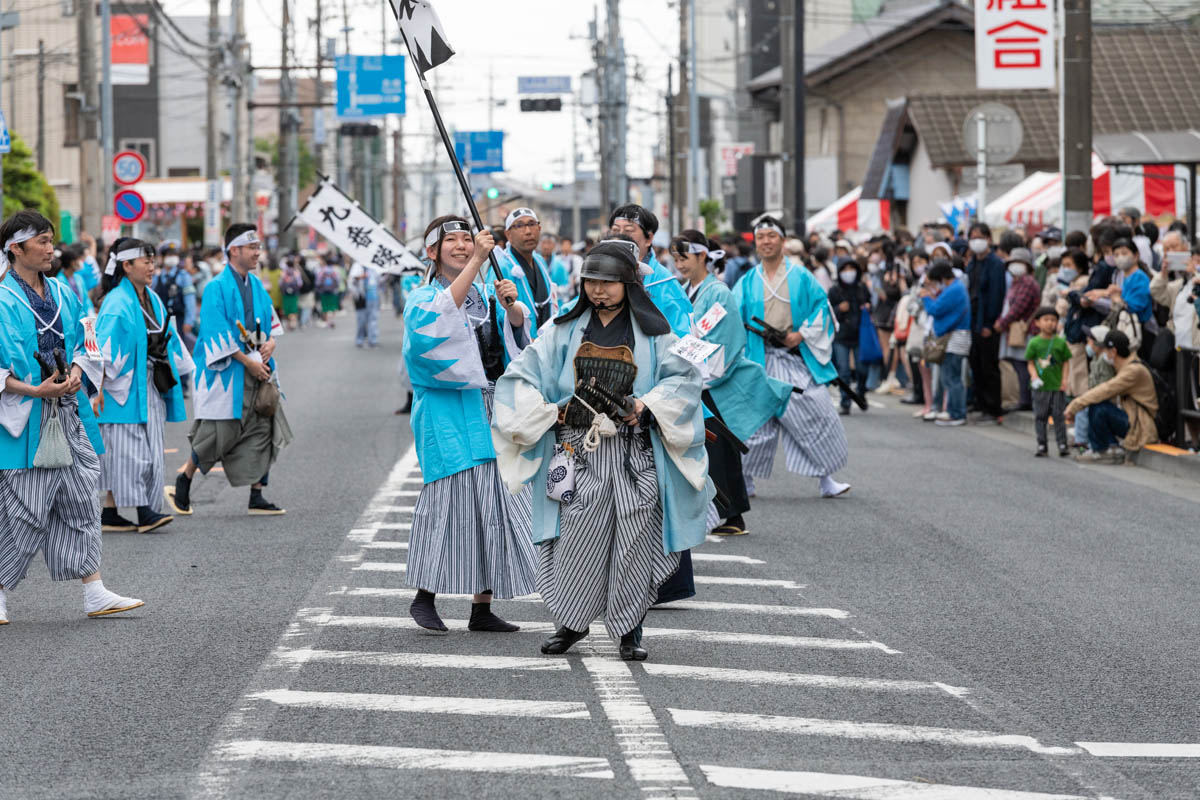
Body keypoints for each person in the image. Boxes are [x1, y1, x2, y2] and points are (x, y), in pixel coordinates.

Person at [491, 239, 712, 661]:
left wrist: (647, 405)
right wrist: (547, 413)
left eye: (609, 282)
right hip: (577, 452)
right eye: (592, 281)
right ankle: (570, 624)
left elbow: (684, 380)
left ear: (629, 283)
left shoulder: (657, 333)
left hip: (634, 453)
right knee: (576, 537)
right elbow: (520, 375)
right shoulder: (560, 330)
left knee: (635, 538)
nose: (599, 290)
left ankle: (631, 629)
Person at [0, 210, 142, 624]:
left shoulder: (63, 291)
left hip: (66, 407)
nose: (51, 248)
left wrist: (78, 371)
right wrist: (33, 389)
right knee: (24, 510)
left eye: (50, 240)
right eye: (42, 241)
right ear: (15, 249)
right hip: (22, 417)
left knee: (81, 494)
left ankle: (94, 590)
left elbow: (87, 340)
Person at [403, 216, 534, 633]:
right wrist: (479, 260)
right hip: (448, 416)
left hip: (491, 408)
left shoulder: (484, 293)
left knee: (495, 505)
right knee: (447, 505)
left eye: (467, 240)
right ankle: (424, 596)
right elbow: (432, 333)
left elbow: (511, 345)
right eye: (451, 242)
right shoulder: (423, 296)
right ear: (432, 253)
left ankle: (482, 605)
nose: (461, 246)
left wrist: (513, 311)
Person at [166, 224, 292, 517]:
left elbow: (272, 324)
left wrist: (270, 344)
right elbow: (214, 333)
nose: (258, 253)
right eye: (252, 248)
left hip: (258, 366)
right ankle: (184, 478)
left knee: (264, 426)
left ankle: (257, 493)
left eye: (258, 247)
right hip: (229, 371)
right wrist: (247, 360)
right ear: (234, 250)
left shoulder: (257, 285)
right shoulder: (216, 287)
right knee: (218, 432)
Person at [671, 231, 790, 536]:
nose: (679, 264)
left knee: (719, 449)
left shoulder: (718, 293)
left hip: (710, 378)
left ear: (702, 256)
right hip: (695, 374)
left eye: (684, 257)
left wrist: (688, 360)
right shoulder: (686, 289)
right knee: (711, 448)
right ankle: (724, 512)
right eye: (675, 258)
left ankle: (731, 514)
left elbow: (718, 340)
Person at [734, 216, 851, 498]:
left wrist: (801, 335)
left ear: (782, 241)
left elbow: (822, 309)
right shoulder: (747, 281)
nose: (765, 241)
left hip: (793, 357)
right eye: (760, 237)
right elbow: (733, 318)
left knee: (815, 413)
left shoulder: (800, 276)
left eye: (771, 236)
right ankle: (746, 481)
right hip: (759, 359)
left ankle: (826, 479)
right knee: (754, 423)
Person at [92, 237, 192, 533]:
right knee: (130, 452)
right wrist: (96, 386)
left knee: (141, 448)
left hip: (148, 381)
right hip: (121, 386)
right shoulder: (117, 302)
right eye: (146, 261)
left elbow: (168, 335)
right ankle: (145, 510)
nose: (152, 267)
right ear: (127, 265)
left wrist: (183, 369)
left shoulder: (150, 297)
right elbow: (102, 350)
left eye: (152, 261)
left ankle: (110, 513)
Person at [1065, 330, 1158, 464]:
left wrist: (1075, 405)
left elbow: (1106, 389)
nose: (1104, 354)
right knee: (1098, 404)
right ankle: (1108, 445)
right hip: (1134, 419)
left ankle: (1104, 449)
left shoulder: (1133, 371)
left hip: (1142, 425)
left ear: (1113, 351)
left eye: (1105, 350)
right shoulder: (1126, 366)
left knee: (1099, 407)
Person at [607, 204, 692, 336]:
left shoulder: (664, 283)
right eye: (615, 230)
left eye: (629, 230)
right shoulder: (601, 272)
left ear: (649, 239)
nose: (620, 236)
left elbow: (684, 336)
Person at [920, 260, 972, 426]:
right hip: (957, 338)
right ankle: (953, 411)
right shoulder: (956, 288)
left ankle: (957, 413)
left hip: (955, 339)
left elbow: (935, 309)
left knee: (952, 378)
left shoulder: (954, 290)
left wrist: (926, 298)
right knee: (951, 377)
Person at [965, 223, 1007, 422]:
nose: (976, 241)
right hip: (971, 321)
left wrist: (989, 324)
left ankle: (993, 408)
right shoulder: (972, 263)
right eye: (972, 237)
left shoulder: (996, 264)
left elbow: (996, 296)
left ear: (989, 239)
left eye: (980, 236)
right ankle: (980, 403)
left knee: (989, 366)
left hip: (987, 322)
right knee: (976, 364)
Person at [994, 248, 1041, 412]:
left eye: (1019, 262)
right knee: (1018, 365)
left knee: (1023, 365)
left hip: (1024, 330)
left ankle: (1025, 400)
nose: (1015, 266)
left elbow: (1018, 308)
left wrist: (1002, 322)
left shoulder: (1027, 282)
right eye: (1012, 263)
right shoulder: (1016, 282)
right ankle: (1023, 398)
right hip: (1015, 330)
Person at [497, 208, 557, 331]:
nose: (528, 231)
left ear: (539, 229)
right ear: (508, 235)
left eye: (531, 224)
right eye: (519, 226)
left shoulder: (540, 260)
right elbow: (498, 314)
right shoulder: (501, 267)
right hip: (520, 345)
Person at [827, 257, 872, 415]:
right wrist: (839, 309)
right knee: (844, 370)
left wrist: (867, 308)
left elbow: (870, 304)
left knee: (862, 369)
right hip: (841, 335)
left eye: (851, 269)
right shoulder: (834, 290)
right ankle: (845, 401)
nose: (848, 273)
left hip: (860, 334)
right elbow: (828, 312)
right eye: (844, 270)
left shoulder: (862, 288)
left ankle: (861, 391)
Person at [1025, 307, 1072, 457]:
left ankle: (1062, 444)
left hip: (1057, 385)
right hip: (1040, 386)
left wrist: (1065, 379)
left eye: (1053, 320)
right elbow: (1030, 362)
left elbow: (1065, 362)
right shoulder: (1034, 342)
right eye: (1046, 320)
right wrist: (1033, 376)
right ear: (1037, 323)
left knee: (1059, 415)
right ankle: (1041, 444)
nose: (1050, 323)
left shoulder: (1060, 342)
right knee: (1040, 415)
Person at [348, 259, 382, 348]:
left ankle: (373, 340)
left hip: (373, 297)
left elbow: (380, 280)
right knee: (361, 320)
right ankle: (360, 339)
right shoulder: (357, 266)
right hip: (361, 298)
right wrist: (360, 277)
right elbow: (351, 282)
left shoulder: (374, 266)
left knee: (373, 319)